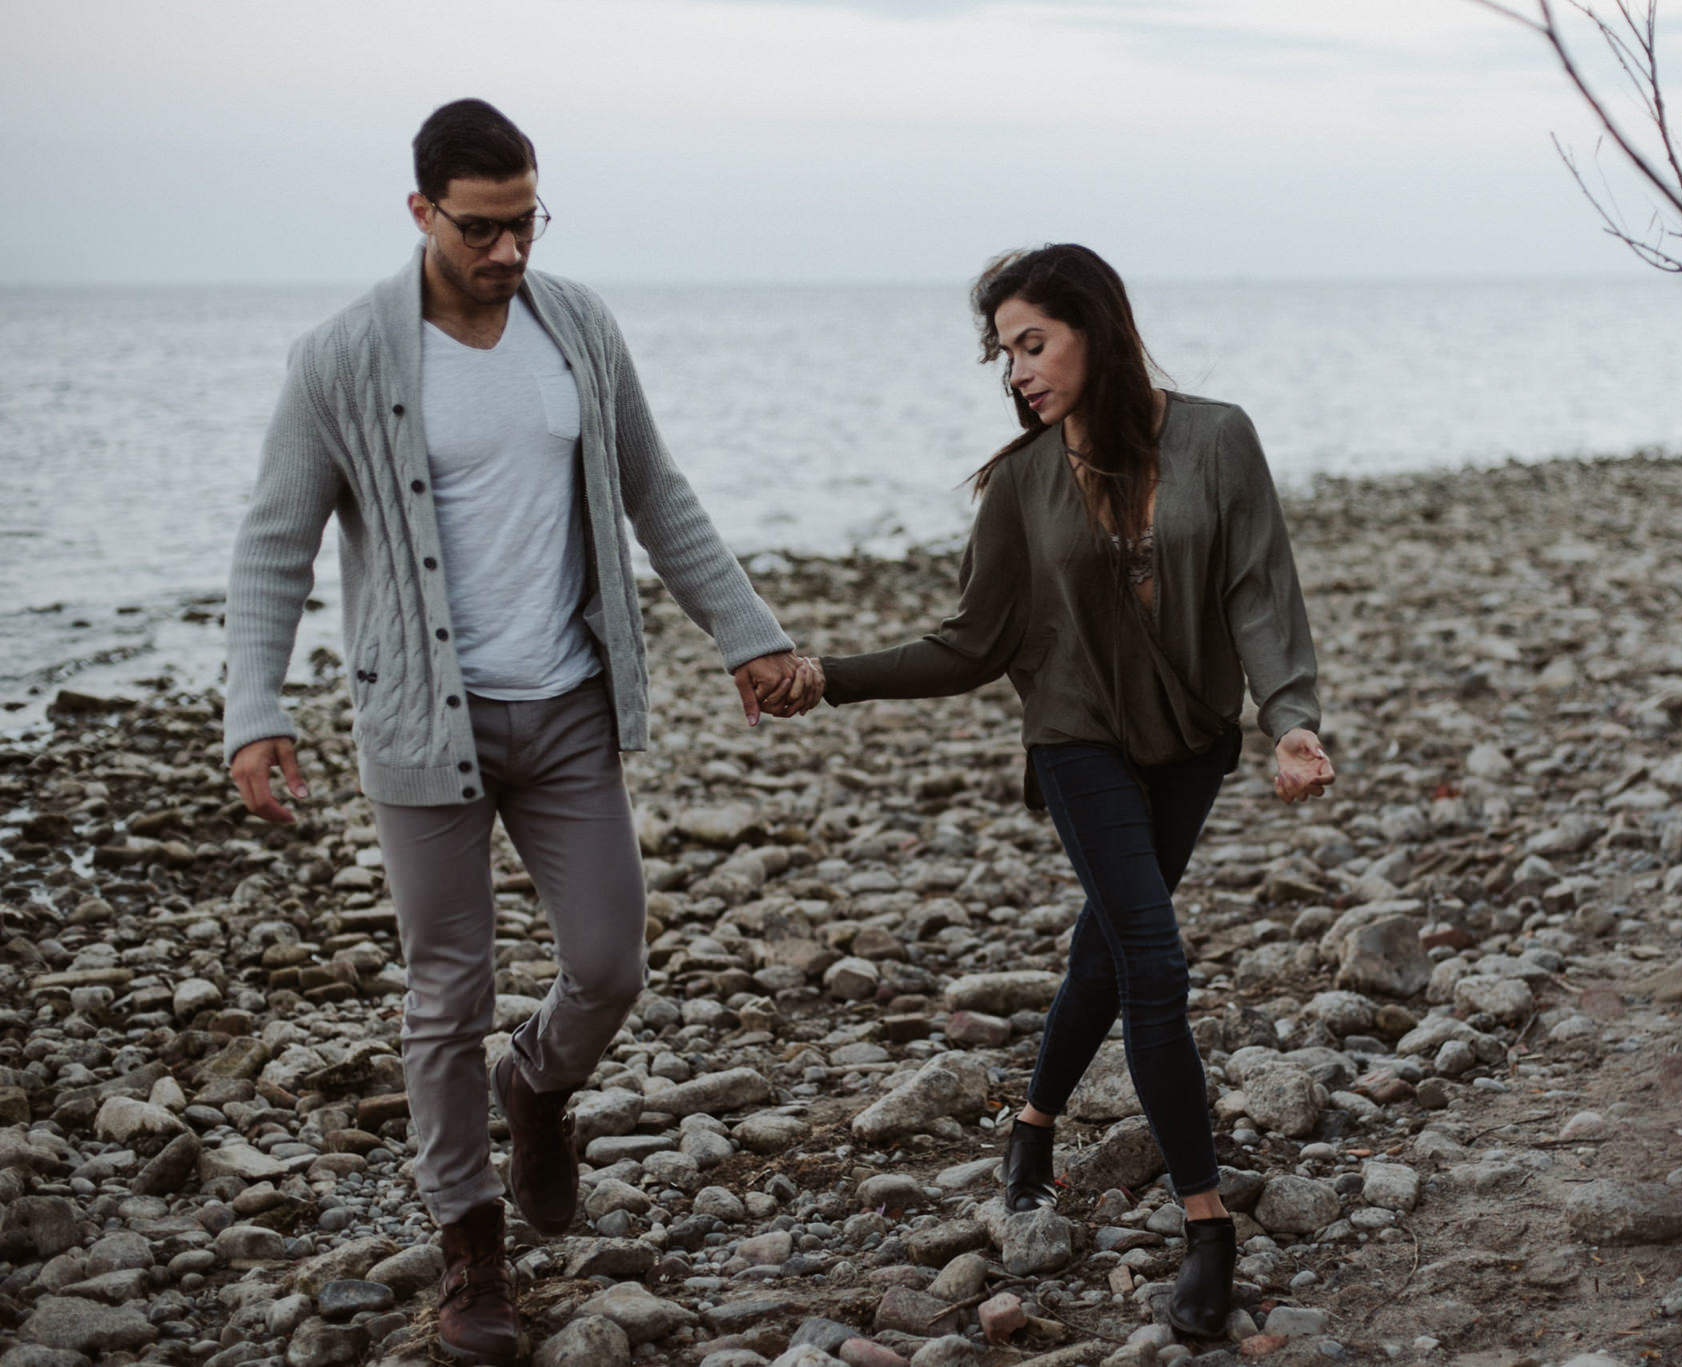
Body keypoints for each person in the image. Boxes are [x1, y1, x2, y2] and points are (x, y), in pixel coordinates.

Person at [223, 98, 808, 1366]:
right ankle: (469, 1246)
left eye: (526, 221)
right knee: (448, 988)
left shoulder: (577, 325)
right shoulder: (343, 358)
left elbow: (654, 488)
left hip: (566, 703)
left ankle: (535, 1085)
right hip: (420, 720)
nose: (507, 252)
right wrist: (254, 710)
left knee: (609, 962)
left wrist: (746, 631)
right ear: (422, 209)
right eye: (482, 228)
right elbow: (275, 542)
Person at [805, 243, 1335, 1339]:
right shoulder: (1023, 482)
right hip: (1076, 737)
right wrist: (826, 678)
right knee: (1152, 958)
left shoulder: (1217, 437)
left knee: (1106, 942)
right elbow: (970, 640)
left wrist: (1290, 721)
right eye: (1004, 353)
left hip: (1189, 740)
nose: (1017, 372)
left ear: (1095, 325)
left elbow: (1258, 588)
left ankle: (1032, 1124)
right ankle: (1205, 1228)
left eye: (1032, 343)